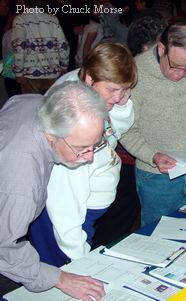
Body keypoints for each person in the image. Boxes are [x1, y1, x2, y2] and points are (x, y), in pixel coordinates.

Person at [28, 42, 138, 267]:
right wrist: (80, 261)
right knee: (60, 274)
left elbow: (115, 129)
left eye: (125, 90)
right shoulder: (73, 115)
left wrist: (123, 103)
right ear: (89, 78)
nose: (119, 98)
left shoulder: (92, 93)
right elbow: (63, 206)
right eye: (113, 90)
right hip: (65, 220)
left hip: (84, 208)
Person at [0, 81, 108, 300]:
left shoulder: (36, 102)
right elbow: (4, 247)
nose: (90, 157)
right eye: (81, 149)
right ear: (51, 136)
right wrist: (59, 278)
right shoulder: (22, 181)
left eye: (93, 145)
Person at [120, 20, 186, 226]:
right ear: (161, 48)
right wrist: (153, 156)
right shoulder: (135, 72)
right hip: (156, 175)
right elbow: (125, 130)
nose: (182, 74)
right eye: (176, 66)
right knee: (158, 234)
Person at [10, 0, 69, 94]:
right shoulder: (52, 19)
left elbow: (19, 48)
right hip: (51, 73)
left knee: (31, 106)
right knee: (48, 106)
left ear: (22, 2)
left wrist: (19, 73)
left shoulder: (20, 20)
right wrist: (64, 65)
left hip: (30, 76)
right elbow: (63, 45)